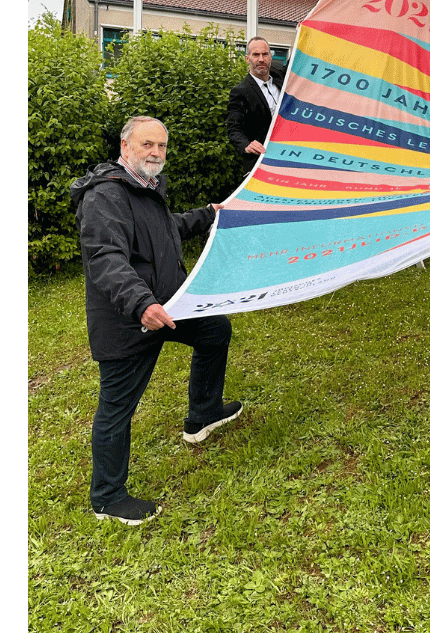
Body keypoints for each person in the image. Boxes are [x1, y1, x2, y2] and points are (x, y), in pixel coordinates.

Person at [69, 116, 242, 525]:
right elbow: (105, 258)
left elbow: (166, 230)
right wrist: (140, 304)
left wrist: (209, 214)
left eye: (162, 146)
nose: (156, 153)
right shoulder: (105, 196)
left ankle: (203, 414)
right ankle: (108, 498)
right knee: (116, 408)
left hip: (168, 306)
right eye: (148, 145)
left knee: (215, 330)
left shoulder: (146, 187)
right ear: (125, 146)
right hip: (128, 318)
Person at [226, 36, 286, 169]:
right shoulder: (240, 92)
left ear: (270, 56)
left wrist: (304, 32)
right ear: (247, 59)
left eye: (265, 54)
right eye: (256, 55)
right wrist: (246, 145)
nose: (261, 59)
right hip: (262, 162)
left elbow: (297, 60)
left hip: (288, 156)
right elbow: (234, 129)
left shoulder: (280, 78)